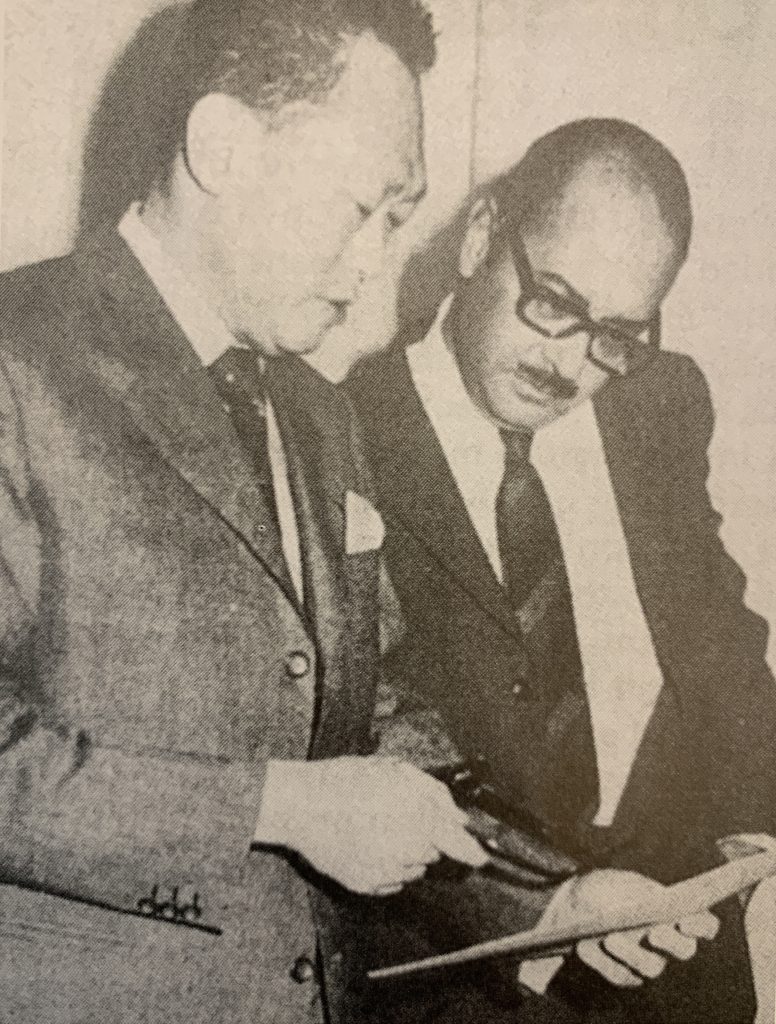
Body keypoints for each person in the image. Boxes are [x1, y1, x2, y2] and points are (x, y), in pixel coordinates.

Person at [0, 2, 495, 1021]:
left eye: (397, 221)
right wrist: (276, 806)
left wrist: (554, 894)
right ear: (221, 145)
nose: (375, 266)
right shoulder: (18, 359)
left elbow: (373, 717)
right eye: (363, 209)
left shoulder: (317, 413)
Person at [350, 118, 776, 1023]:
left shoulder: (658, 405)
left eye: (617, 332)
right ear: (479, 238)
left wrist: (756, 830)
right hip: (464, 978)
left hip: (681, 971)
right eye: (553, 301)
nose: (572, 360)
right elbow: (362, 738)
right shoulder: (341, 437)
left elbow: (719, 640)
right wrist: (544, 899)